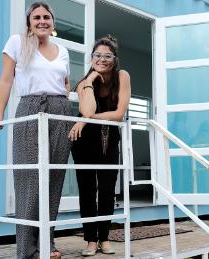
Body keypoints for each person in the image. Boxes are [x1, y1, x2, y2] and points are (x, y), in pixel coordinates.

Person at [0, 2, 72, 259]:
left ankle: (47, 244)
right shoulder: (17, 42)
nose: (42, 21)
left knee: (54, 179)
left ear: (52, 21)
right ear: (29, 21)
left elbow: (65, 84)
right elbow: (6, 79)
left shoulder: (63, 50)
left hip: (60, 110)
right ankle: (27, 250)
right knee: (29, 179)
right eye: (36, 17)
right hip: (30, 108)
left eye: (46, 17)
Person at [68, 35, 131, 256]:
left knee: (106, 190)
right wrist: (91, 78)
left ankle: (104, 238)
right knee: (86, 190)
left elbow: (119, 114)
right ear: (92, 58)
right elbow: (86, 110)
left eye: (107, 56)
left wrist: (87, 119)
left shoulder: (122, 76)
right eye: (97, 55)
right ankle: (90, 241)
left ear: (114, 59)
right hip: (83, 140)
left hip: (108, 140)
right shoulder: (84, 82)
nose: (102, 59)